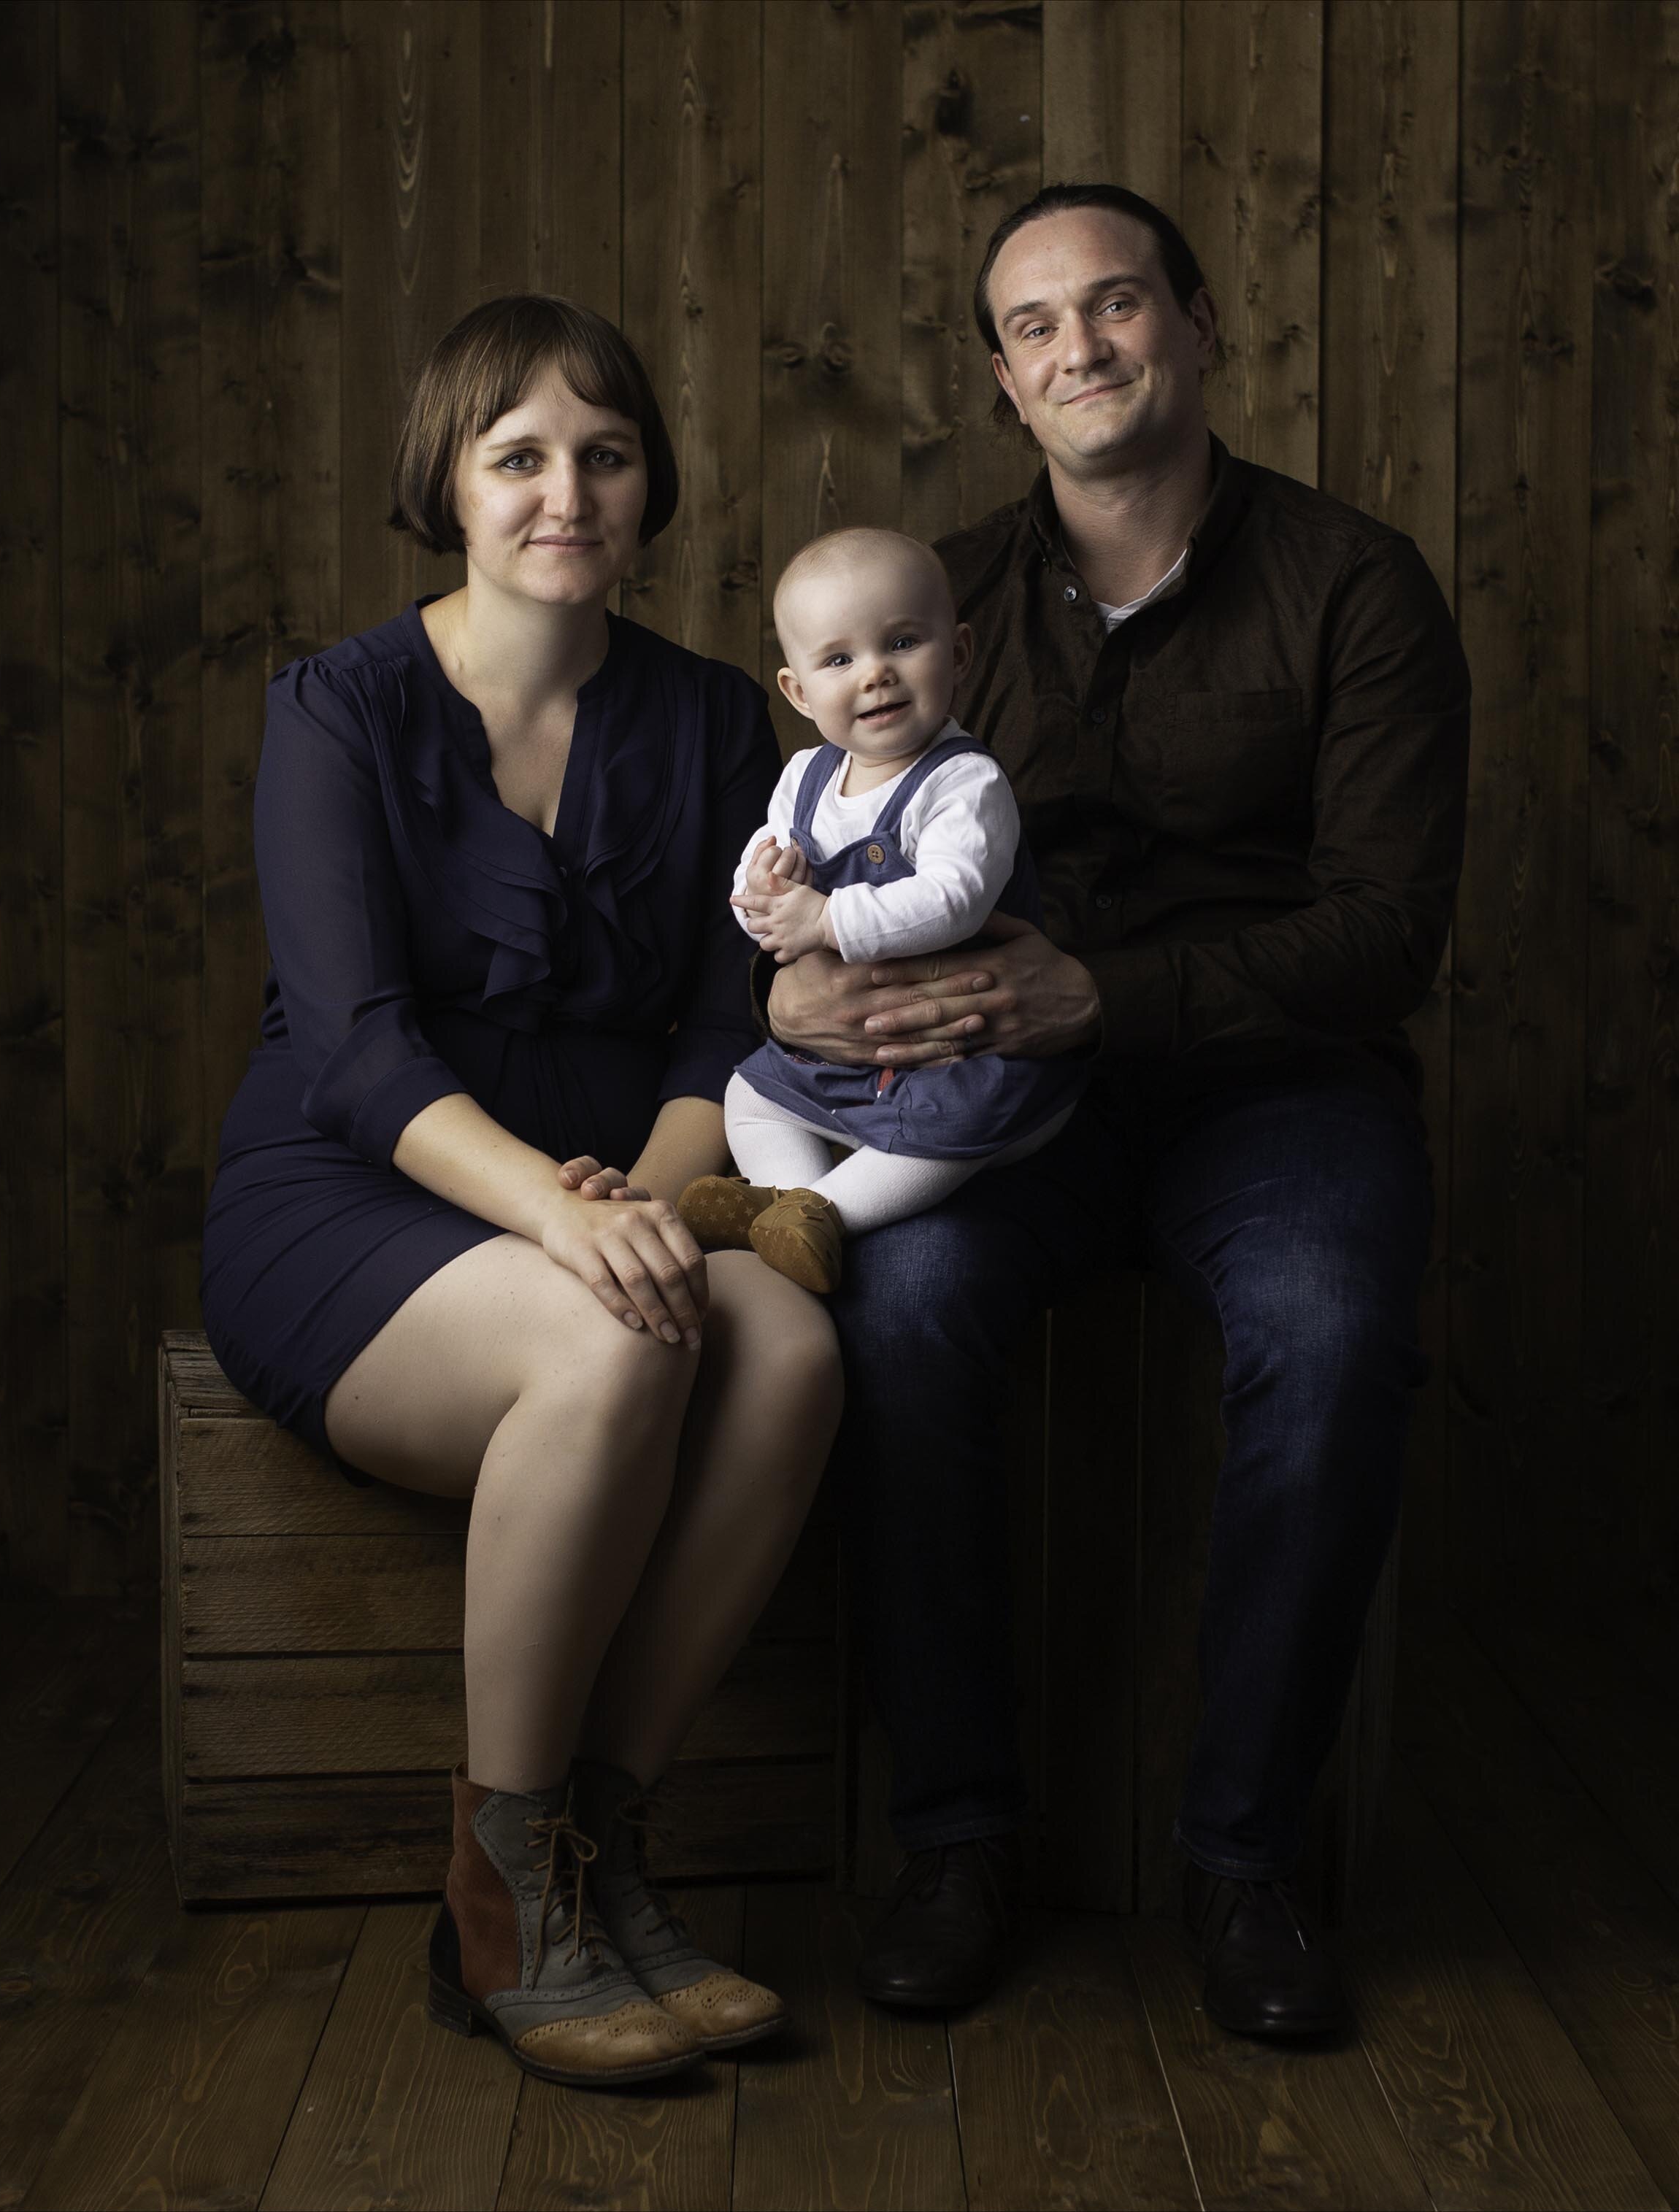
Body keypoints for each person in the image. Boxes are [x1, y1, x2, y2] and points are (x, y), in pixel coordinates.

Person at [761, 184, 1469, 2038]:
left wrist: (1111, 991)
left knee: (1329, 1334)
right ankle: (957, 1839)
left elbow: (1389, 932)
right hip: (1006, 1104)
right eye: (1034, 325)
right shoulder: (937, 597)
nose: (1079, 348)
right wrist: (802, 976)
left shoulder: (1356, 583)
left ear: (1199, 324)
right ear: (1003, 379)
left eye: (1117, 306)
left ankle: (1243, 1866)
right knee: (897, 1313)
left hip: (1277, 1094)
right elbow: (824, 849)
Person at [199, 295, 841, 2090]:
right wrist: (567, 1222)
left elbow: (730, 1024)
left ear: (649, 488)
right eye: (521, 457)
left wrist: (635, 1197)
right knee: (621, 1346)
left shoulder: (720, 723)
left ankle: (598, 1862)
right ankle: (502, 1908)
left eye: (607, 454)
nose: (568, 490)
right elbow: (352, 1048)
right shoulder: (335, 710)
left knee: (782, 1350)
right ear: (451, 484)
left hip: (608, 1179)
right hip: (355, 1192)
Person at [679, 527, 1084, 1292]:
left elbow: (954, 901)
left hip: (966, 1060)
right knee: (747, 1094)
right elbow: (759, 876)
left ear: (957, 655)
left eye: (901, 642)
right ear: (798, 691)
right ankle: (784, 1211)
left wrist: (823, 922)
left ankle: (824, 1212)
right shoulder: (804, 776)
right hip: (850, 1056)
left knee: (940, 1137)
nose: (875, 676)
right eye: (838, 659)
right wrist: (762, 892)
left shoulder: (964, 784)